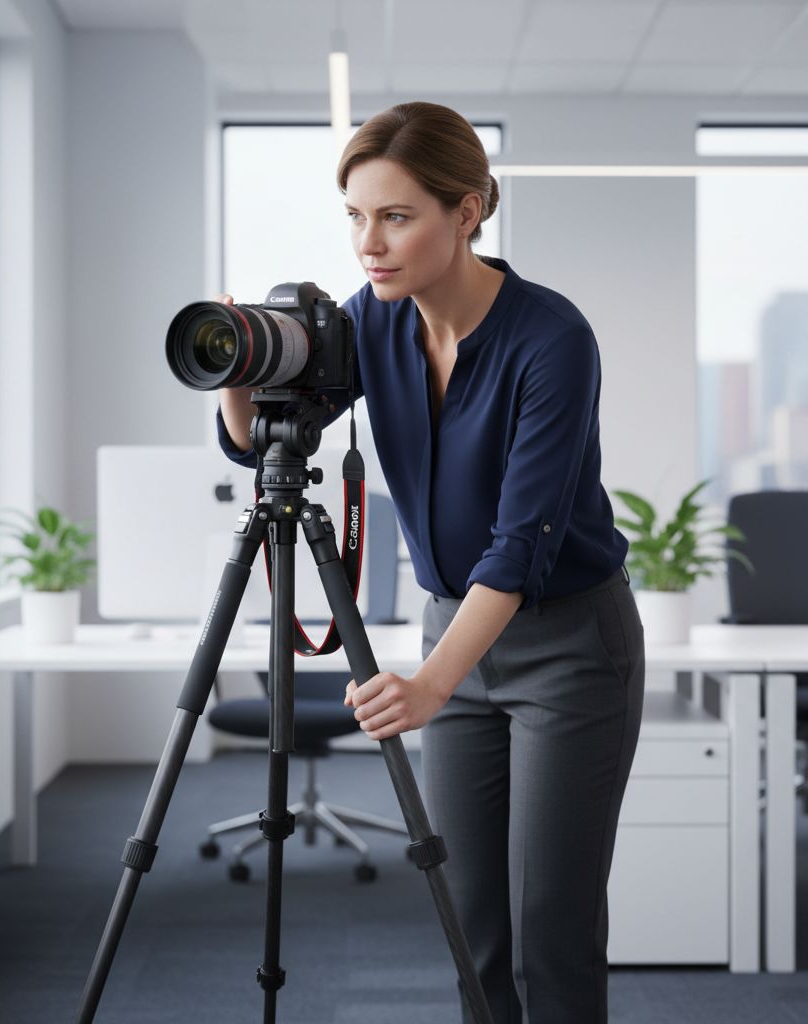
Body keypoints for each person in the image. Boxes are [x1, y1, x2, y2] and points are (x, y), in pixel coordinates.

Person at [217, 101, 645, 1024]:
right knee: (470, 924)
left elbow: (520, 544)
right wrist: (238, 377)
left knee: (550, 929)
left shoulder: (551, 340)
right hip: (453, 629)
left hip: (568, 646)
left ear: (469, 210)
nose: (370, 244)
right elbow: (267, 450)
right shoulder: (376, 321)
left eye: (397, 216)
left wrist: (430, 686)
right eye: (357, 217)